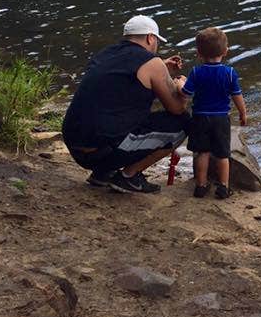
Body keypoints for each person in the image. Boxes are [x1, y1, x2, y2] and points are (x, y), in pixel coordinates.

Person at [62, 15, 190, 194]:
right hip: (101, 151)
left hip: (75, 144)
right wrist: (181, 89)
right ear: (150, 38)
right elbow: (176, 108)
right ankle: (129, 176)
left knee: (113, 112)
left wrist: (161, 66)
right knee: (183, 122)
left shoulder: (106, 53)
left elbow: (124, 81)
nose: (156, 47)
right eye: (156, 42)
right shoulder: (152, 63)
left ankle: (103, 174)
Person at [179, 26, 248, 199]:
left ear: (198, 54)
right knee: (223, 154)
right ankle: (223, 187)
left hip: (200, 117)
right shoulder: (229, 73)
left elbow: (185, 94)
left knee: (203, 152)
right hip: (221, 118)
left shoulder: (196, 72)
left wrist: (180, 84)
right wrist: (243, 113)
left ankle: (201, 185)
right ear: (225, 51)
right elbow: (236, 95)